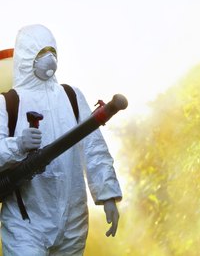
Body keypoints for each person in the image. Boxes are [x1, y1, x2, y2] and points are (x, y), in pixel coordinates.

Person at [0, 24, 122, 255]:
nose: (49, 58)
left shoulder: (72, 97)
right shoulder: (8, 103)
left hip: (73, 223)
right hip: (25, 224)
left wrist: (108, 195)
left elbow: (94, 149)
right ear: (26, 57)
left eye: (52, 51)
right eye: (41, 52)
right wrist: (18, 145)